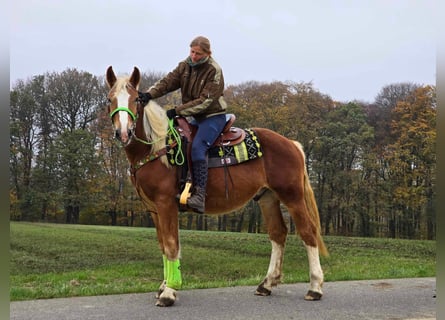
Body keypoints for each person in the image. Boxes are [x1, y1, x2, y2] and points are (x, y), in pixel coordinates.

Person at [138, 36, 228, 214]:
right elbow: (168, 82)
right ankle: (180, 186)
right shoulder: (184, 66)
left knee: (197, 147)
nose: (193, 56)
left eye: (198, 54)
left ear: (207, 54)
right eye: (192, 52)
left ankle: (199, 195)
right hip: (193, 117)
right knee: (175, 143)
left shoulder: (214, 70)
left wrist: (177, 110)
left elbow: (205, 102)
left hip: (212, 116)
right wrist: (149, 94)